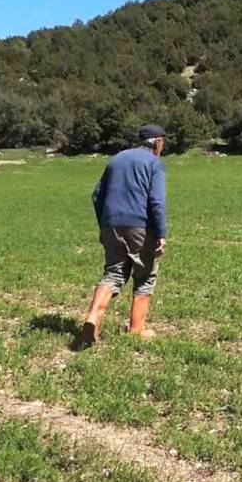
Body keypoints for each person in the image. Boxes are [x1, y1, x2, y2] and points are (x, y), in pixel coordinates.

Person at [77, 123, 167, 348]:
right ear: (157, 142)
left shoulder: (117, 159)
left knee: (113, 273)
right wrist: (161, 233)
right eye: (163, 142)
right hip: (140, 225)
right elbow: (156, 201)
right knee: (144, 276)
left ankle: (93, 318)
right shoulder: (153, 163)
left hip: (111, 223)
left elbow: (96, 195)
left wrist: (104, 224)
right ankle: (137, 329)